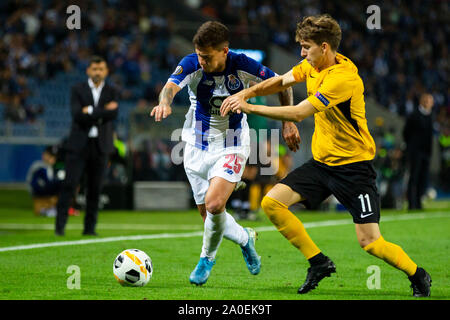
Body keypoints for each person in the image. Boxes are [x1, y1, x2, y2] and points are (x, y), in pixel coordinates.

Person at [221, 14, 432, 297]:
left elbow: (299, 112)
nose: (301, 52)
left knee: (370, 242)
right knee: (272, 204)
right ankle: (318, 262)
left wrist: (249, 107)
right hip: (322, 164)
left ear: (324, 46)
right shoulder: (311, 66)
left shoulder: (343, 79)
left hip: (354, 169)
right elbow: (281, 82)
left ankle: (419, 275)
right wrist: (246, 94)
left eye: (306, 47)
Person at [150, 21, 300, 286]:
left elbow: (282, 84)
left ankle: (206, 259)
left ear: (224, 51)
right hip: (195, 145)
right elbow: (170, 87)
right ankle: (245, 238)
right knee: (209, 216)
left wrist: (288, 122)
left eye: (207, 57)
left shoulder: (243, 65)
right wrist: (164, 103)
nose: (201, 61)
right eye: (199, 55)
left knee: (215, 204)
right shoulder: (191, 63)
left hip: (232, 143)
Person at [55, 56, 119, 236]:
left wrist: (89, 110)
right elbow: (77, 114)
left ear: (106, 71)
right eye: (94, 69)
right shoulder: (77, 89)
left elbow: (114, 114)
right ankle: (60, 228)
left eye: (101, 69)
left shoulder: (112, 90)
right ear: (88, 71)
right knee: (69, 185)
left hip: (100, 147)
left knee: (95, 189)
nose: (97, 72)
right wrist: (102, 112)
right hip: (78, 145)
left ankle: (89, 230)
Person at [403, 93, 435, 210]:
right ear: (422, 101)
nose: (429, 103)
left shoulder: (431, 115)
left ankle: (419, 203)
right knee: (414, 177)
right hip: (415, 152)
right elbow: (406, 133)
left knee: (423, 178)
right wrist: (412, 147)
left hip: (426, 152)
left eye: (431, 101)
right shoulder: (414, 115)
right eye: (427, 101)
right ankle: (412, 204)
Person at [26, 145, 62, 217]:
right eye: (50, 156)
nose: (52, 159)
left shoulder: (52, 168)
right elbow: (35, 184)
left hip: (48, 192)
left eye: (53, 157)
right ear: (44, 155)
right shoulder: (38, 166)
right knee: (60, 183)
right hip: (38, 192)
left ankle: (55, 208)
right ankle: (48, 209)